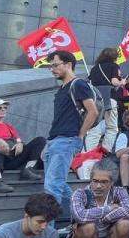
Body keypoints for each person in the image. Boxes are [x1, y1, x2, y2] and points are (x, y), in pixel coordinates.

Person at [42, 50, 99, 211]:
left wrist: (80, 135)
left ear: (68, 65)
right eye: (50, 66)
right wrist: (48, 143)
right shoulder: (62, 89)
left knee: (52, 185)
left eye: (55, 65)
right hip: (54, 140)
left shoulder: (78, 84)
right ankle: (85, 211)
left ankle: (47, 225)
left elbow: (93, 112)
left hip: (67, 140)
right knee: (57, 184)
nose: (52, 69)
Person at [0, 98, 45, 193]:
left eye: (5, 108)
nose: (3, 109)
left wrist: (20, 144)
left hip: (10, 159)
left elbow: (18, 140)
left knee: (40, 140)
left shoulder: (9, 127)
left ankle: (28, 169)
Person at [86, 47, 125, 153]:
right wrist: (122, 82)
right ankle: (105, 151)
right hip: (109, 98)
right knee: (112, 127)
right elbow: (114, 82)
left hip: (95, 99)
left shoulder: (94, 68)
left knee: (95, 127)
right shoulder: (114, 66)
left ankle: (88, 152)